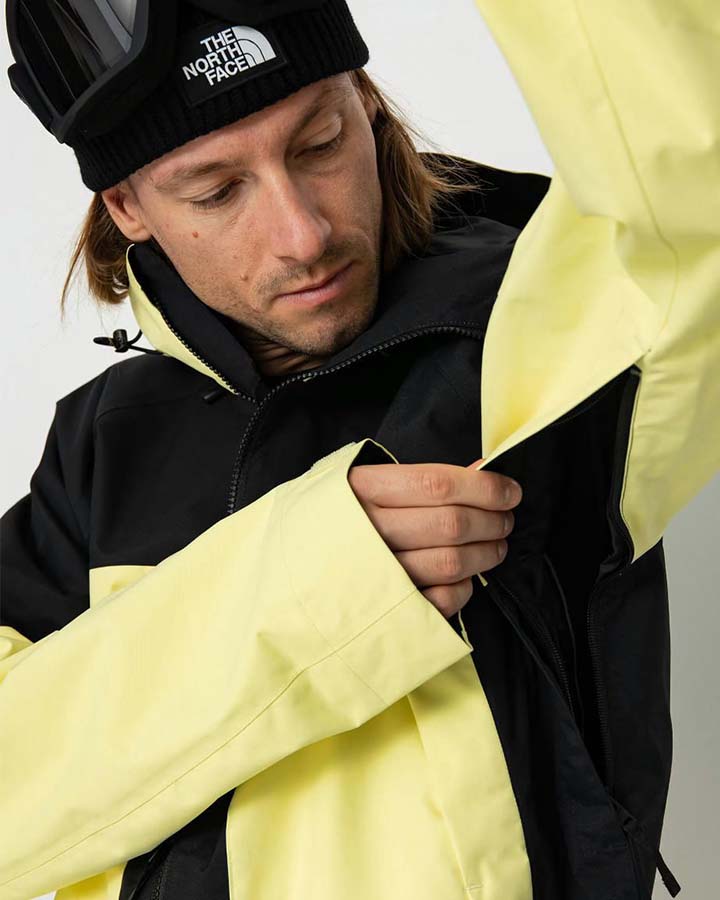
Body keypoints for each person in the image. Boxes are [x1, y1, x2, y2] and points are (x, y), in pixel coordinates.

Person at [2, 2, 718, 899]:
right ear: (127, 206)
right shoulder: (104, 439)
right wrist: (314, 585)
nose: (303, 235)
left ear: (367, 104)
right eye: (217, 191)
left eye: (320, 144)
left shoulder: (536, 335)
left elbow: (695, 190)